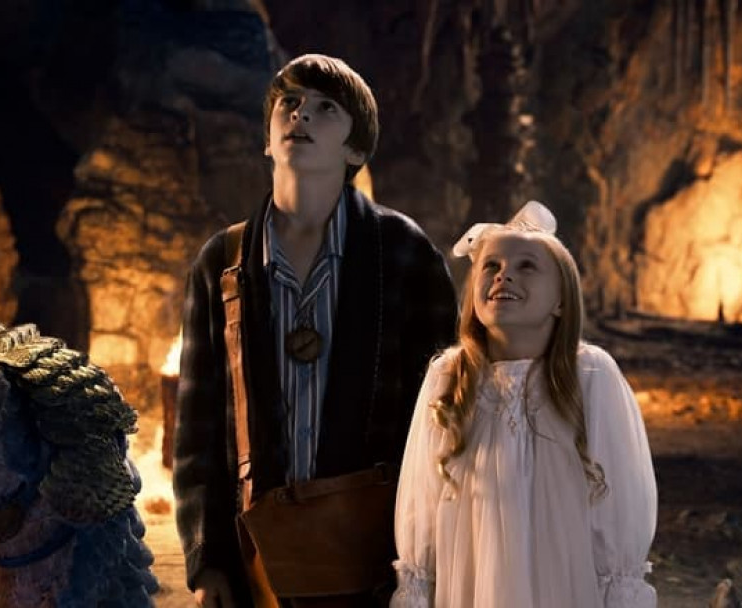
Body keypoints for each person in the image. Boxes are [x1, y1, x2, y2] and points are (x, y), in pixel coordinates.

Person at [173, 53, 458, 607]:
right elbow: (197, 429)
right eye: (290, 102)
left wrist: (426, 559)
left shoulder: (403, 253)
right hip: (257, 552)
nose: (300, 114)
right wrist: (206, 560)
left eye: (326, 108)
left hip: (374, 556)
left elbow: (441, 421)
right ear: (267, 138)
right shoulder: (223, 260)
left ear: (356, 149)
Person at [390, 201, 658, 608]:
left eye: (527, 265)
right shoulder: (449, 376)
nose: (504, 275)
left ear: (561, 299)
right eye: (491, 265)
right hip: (472, 580)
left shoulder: (590, 375)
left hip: (564, 584)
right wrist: (418, 584)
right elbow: (421, 493)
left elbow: (619, 498)